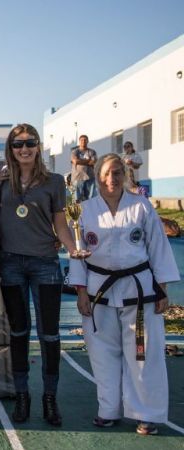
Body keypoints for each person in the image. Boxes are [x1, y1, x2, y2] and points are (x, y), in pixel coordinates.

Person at [69, 153, 179, 436]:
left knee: (143, 354)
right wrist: (80, 291)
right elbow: (78, 255)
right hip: (98, 290)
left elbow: (158, 247)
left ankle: (147, 414)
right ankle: (108, 410)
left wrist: (161, 289)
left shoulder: (141, 207)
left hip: (139, 290)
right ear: (97, 176)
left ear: (125, 175)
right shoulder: (85, 210)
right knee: (102, 353)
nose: (112, 179)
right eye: (106, 173)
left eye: (117, 173)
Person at [0, 123, 86, 427]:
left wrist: (72, 248)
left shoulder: (55, 182)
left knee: (49, 333)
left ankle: (49, 397)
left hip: (45, 263)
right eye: (18, 144)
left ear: (38, 146)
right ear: (11, 148)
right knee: (19, 332)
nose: (24, 149)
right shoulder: (0, 184)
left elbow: (61, 224)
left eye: (29, 143)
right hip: (10, 264)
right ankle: (22, 395)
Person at [70, 135, 97, 201]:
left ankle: (90, 211)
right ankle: (79, 212)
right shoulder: (74, 151)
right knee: (77, 199)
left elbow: (93, 162)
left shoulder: (92, 152)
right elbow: (75, 161)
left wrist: (80, 161)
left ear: (87, 141)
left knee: (91, 199)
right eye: (81, 140)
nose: (83, 141)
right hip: (77, 178)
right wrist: (88, 160)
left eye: (85, 140)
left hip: (90, 177)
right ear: (79, 141)